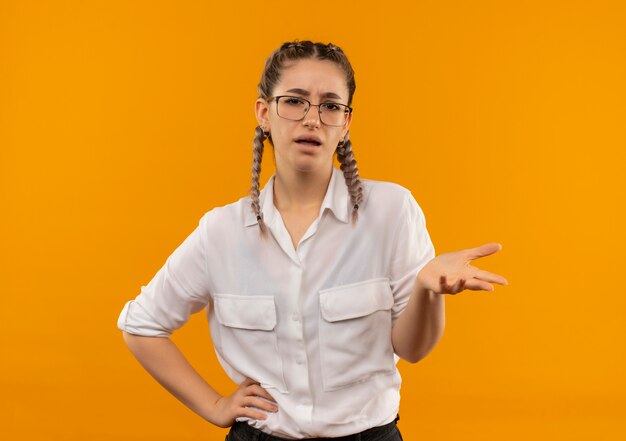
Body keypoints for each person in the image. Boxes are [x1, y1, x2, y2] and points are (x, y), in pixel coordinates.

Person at [117, 40, 508, 441]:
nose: (312, 119)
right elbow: (141, 325)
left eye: (330, 106)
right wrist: (215, 406)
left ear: (345, 123)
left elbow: (413, 349)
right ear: (264, 113)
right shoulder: (221, 232)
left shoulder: (393, 211)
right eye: (295, 101)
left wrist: (428, 289)